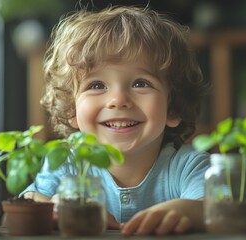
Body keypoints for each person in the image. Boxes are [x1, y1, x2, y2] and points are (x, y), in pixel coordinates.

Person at [22, 5, 211, 236]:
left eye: (141, 83)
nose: (118, 100)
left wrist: (188, 210)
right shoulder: (66, 164)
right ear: (72, 110)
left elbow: (218, 209)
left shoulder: (189, 167)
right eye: (96, 85)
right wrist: (59, 206)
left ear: (173, 108)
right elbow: (27, 202)